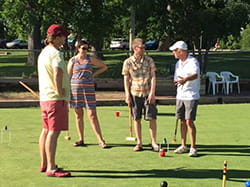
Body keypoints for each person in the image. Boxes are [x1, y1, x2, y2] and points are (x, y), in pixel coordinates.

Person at [38, 24, 71, 177]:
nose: (65, 39)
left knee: (45, 131)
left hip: (45, 98)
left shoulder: (43, 53)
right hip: (55, 98)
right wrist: (59, 91)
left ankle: (45, 164)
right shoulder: (56, 53)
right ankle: (52, 168)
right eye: (63, 36)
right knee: (53, 132)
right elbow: (57, 72)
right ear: (56, 37)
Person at [67, 40, 108, 148]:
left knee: (92, 115)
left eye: (87, 48)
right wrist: (66, 92)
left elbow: (104, 66)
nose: (85, 50)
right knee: (78, 115)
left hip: (88, 90)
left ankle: (101, 140)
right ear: (78, 48)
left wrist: (93, 74)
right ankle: (81, 139)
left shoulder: (90, 59)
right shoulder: (72, 60)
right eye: (83, 48)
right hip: (75, 90)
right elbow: (68, 76)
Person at [122, 38, 159, 152]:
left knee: (152, 117)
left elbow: (153, 76)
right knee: (136, 118)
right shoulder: (128, 62)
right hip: (134, 92)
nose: (143, 49)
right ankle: (139, 142)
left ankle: (153, 142)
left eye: (144, 48)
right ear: (135, 48)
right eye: (141, 48)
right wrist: (127, 94)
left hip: (147, 92)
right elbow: (126, 79)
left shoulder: (149, 60)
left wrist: (152, 93)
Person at [169, 40, 200, 157]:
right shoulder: (178, 64)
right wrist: (177, 81)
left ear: (181, 51)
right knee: (182, 120)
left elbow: (195, 74)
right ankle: (183, 145)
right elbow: (177, 78)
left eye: (174, 51)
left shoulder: (193, 61)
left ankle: (193, 147)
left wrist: (185, 79)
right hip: (180, 95)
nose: (173, 53)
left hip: (191, 95)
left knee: (189, 121)